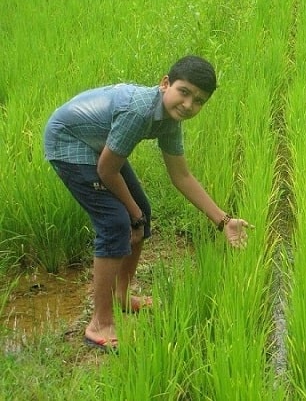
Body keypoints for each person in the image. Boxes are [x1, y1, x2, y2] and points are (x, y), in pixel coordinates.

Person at [44, 55, 251, 350]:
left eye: (199, 101)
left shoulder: (169, 121)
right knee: (116, 223)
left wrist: (224, 220)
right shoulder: (139, 111)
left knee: (142, 212)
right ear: (165, 84)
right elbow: (107, 170)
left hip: (99, 145)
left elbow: (181, 176)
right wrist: (133, 214)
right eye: (184, 92)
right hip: (68, 143)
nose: (189, 105)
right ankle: (99, 323)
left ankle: (122, 295)